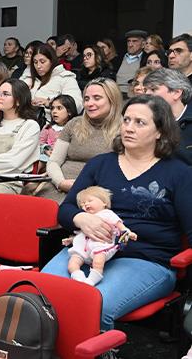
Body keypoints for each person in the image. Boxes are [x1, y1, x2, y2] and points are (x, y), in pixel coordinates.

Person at [43, 95, 192, 330]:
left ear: (160, 132)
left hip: (145, 258)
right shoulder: (101, 164)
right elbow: (66, 210)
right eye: (126, 120)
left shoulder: (179, 173)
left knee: (92, 306)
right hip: (87, 250)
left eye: (140, 122)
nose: (129, 128)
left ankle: (93, 348)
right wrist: (81, 218)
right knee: (40, 295)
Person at [40, 78, 123, 202]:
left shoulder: (124, 129)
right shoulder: (74, 124)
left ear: (112, 100)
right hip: (59, 186)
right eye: (86, 99)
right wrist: (60, 182)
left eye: (97, 98)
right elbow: (54, 161)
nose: (89, 103)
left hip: (96, 194)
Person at [63, 186, 137, 286]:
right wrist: (71, 239)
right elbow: (82, 234)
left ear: (104, 202)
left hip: (100, 246)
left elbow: (120, 226)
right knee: (72, 264)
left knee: (98, 262)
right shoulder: (86, 217)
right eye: (83, 204)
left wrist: (128, 233)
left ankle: (91, 280)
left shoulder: (107, 214)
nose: (86, 204)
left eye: (90, 201)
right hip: (83, 249)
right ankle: (78, 278)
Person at [143, 68, 192, 165]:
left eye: (153, 89)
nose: (146, 93)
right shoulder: (143, 121)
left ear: (176, 93)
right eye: (145, 90)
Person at [21, 43, 83, 115]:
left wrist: (50, 103)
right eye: (35, 62)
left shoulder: (65, 78)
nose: (38, 66)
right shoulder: (29, 78)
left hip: (51, 120)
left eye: (42, 62)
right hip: (26, 118)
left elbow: (77, 105)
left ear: (52, 61)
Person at [116, 29, 147, 95]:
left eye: (134, 41)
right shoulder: (119, 58)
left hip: (135, 95)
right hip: (117, 95)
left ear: (143, 44)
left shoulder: (146, 59)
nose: (130, 45)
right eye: (128, 41)